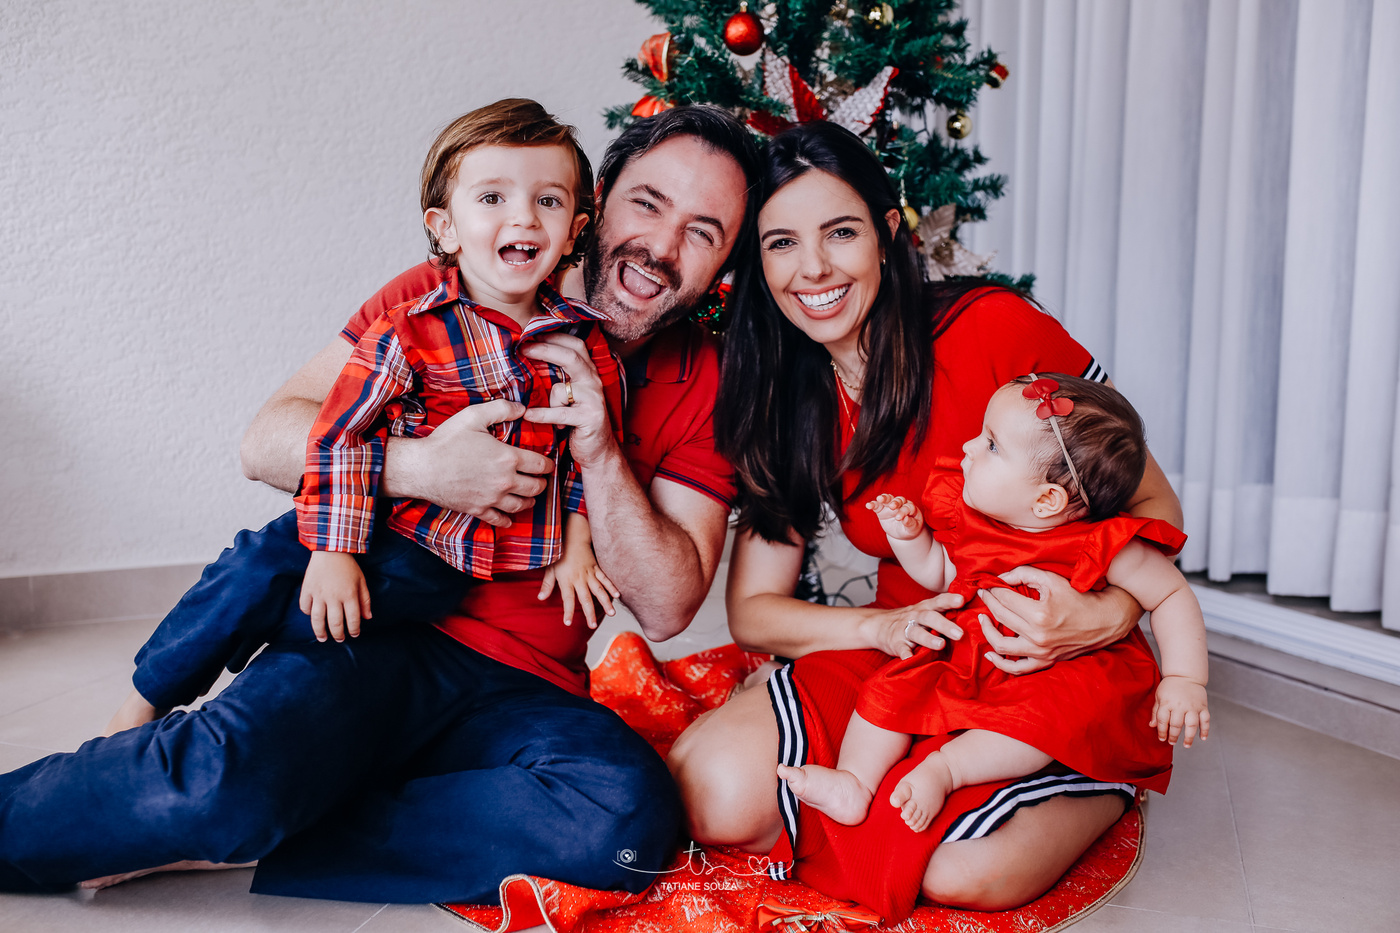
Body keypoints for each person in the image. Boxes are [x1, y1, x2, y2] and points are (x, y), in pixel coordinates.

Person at [0, 105, 758, 904]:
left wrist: (600, 452)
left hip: (524, 690)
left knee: (626, 824)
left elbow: (667, 606)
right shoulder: (440, 297)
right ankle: (232, 795)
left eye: (702, 232)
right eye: (648, 204)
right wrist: (423, 465)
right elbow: (267, 440)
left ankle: (280, 817)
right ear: (597, 205)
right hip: (369, 631)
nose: (662, 246)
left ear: (724, 263)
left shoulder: (705, 380)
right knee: (221, 780)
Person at [666, 120, 1185, 922]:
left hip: (1046, 664)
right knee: (712, 792)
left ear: (887, 232)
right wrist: (880, 628)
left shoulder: (991, 328)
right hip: (913, 651)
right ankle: (895, 785)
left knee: (961, 872)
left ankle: (1088, 772)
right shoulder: (784, 393)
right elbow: (755, 611)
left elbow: (1154, 501)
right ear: (757, 263)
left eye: (840, 232)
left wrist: (1107, 613)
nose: (813, 268)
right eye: (781, 243)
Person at [105, 98, 626, 736]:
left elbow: (584, 455)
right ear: (445, 229)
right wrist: (334, 549)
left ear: (573, 232)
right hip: (360, 517)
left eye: (547, 200)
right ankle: (142, 704)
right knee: (253, 573)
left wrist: (575, 546)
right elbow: (339, 434)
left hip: (435, 564)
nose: (523, 216)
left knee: (328, 626)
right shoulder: (408, 329)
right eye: (493, 198)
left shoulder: (582, 346)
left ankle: (237, 710)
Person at [779, 374, 1210, 836]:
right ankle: (854, 782)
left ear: (1047, 499)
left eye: (990, 445)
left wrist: (1185, 679)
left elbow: (1171, 594)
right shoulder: (978, 520)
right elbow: (941, 573)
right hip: (974, 653)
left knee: (1039, 723)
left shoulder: (1104, 544)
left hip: (1058, 672)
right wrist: (909, 537)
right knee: (889, 691)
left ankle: (948, 769)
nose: (968, 447)